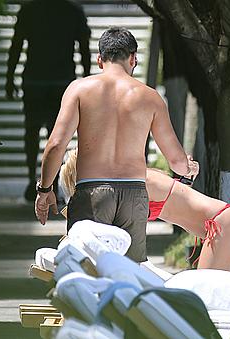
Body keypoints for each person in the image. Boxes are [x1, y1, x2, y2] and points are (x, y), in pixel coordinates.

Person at [35, 27, 199, 263]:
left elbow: (56, 145)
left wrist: (45, 190)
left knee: (86, 271)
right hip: (134, 196)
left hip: (92, 193)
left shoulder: (79, 90)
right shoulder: (151, 97)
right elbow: (176, 161)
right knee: (129, 275)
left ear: (99, 60)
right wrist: (189, 169)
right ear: (133, 59)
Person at [59, 149, 230, 271]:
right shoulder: (135, 179)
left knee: (208, 299)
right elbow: (178, 195)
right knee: (209, 295)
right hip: (221, 223)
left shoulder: (134, 182)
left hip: (221, 224)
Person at [6, 0, 91, 202]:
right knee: (58, 134)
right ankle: (50, 183)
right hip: (61, 82)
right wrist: (87, 81)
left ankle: (32, 180)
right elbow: (84, 48)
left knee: (32, 130)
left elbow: (16, 44)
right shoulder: (73, 11)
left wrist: (9, 77)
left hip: (35, 79)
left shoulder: (29, 10)